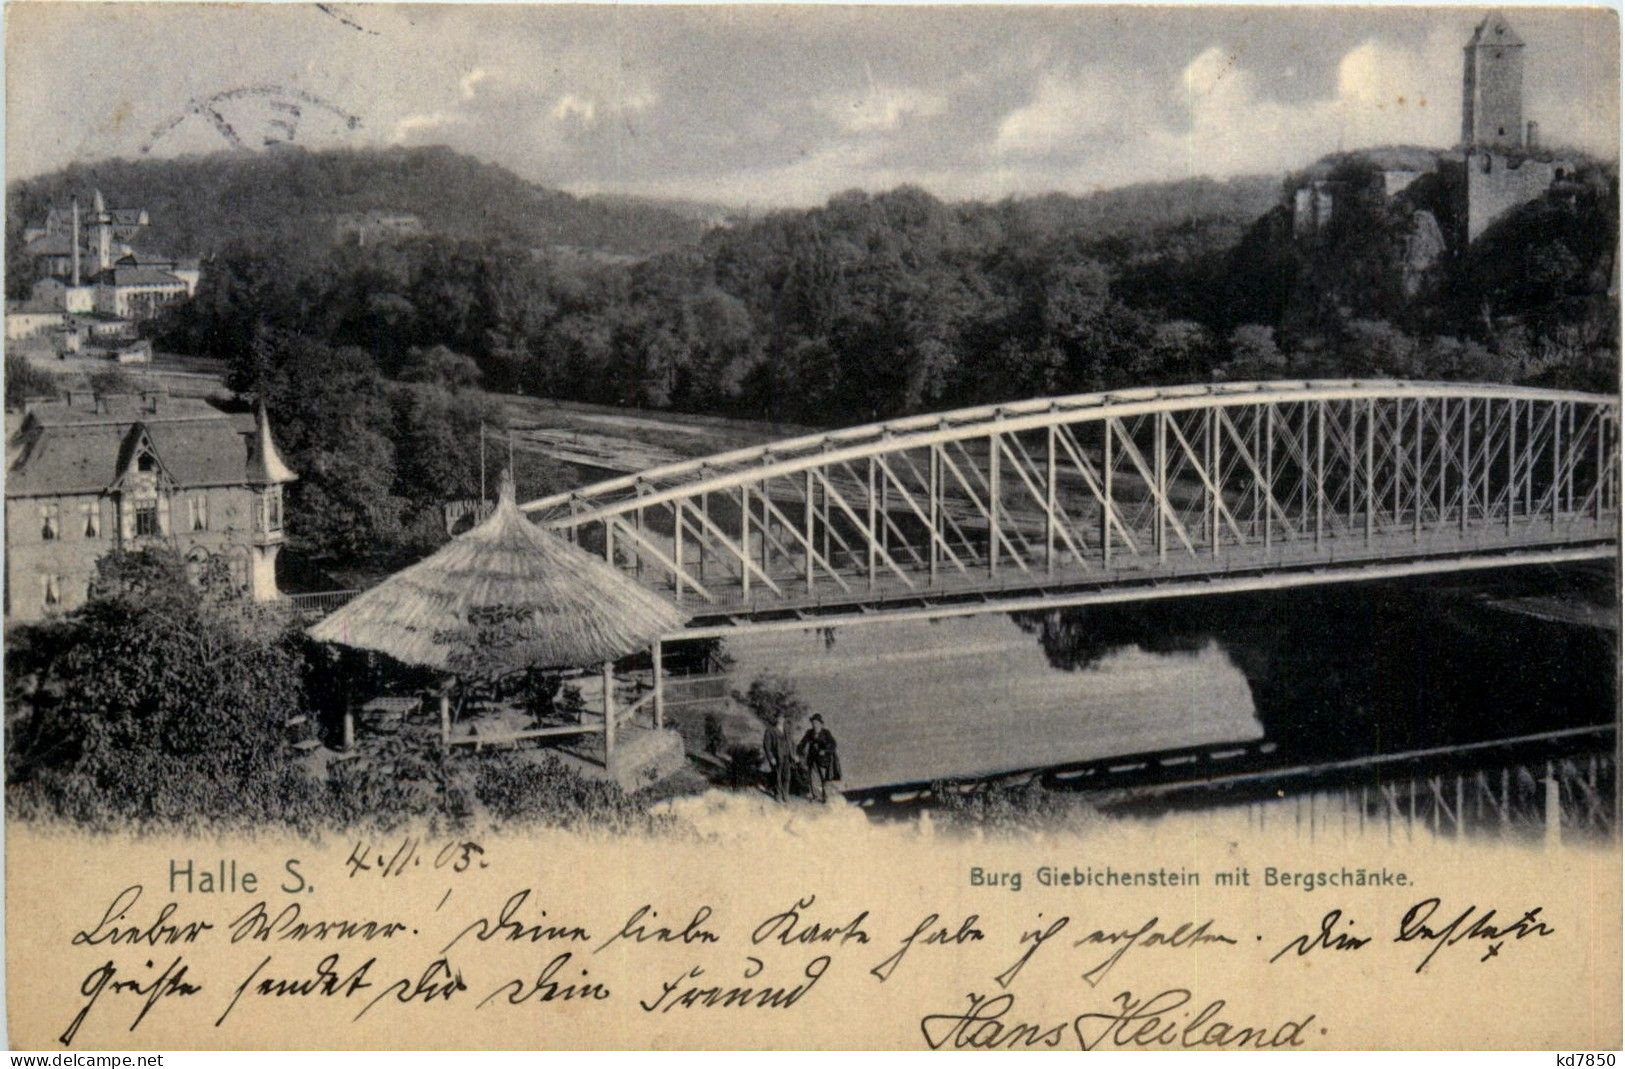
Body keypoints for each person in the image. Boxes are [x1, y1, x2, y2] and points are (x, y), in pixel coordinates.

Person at [797, 714, 842, 803]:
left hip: (823, 761)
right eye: (813, 722)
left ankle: (827, 798)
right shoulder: (809, 733)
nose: (815, 725)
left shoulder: (826, 733)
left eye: (816, 723)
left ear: (821, 724)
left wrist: (825, 751)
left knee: (825, 780)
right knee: (814, 779)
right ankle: (817, 797)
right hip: (812, 759)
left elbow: (833, 744)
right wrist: (798, 752)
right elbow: (802, 743)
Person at [762, 711, 794, 802]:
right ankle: (778, 795)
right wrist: (771, 758)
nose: (781, 719)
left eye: (782, 718)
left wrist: (793, 754)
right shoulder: (770, 730)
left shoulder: (787, 730)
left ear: (784, 719)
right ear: (776, 718)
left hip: (787, 756)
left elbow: (791, 743)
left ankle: (786, 794)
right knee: (777, 776)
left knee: (787, 776)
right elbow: (767, 746)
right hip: (777, 757)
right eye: (779, 717)